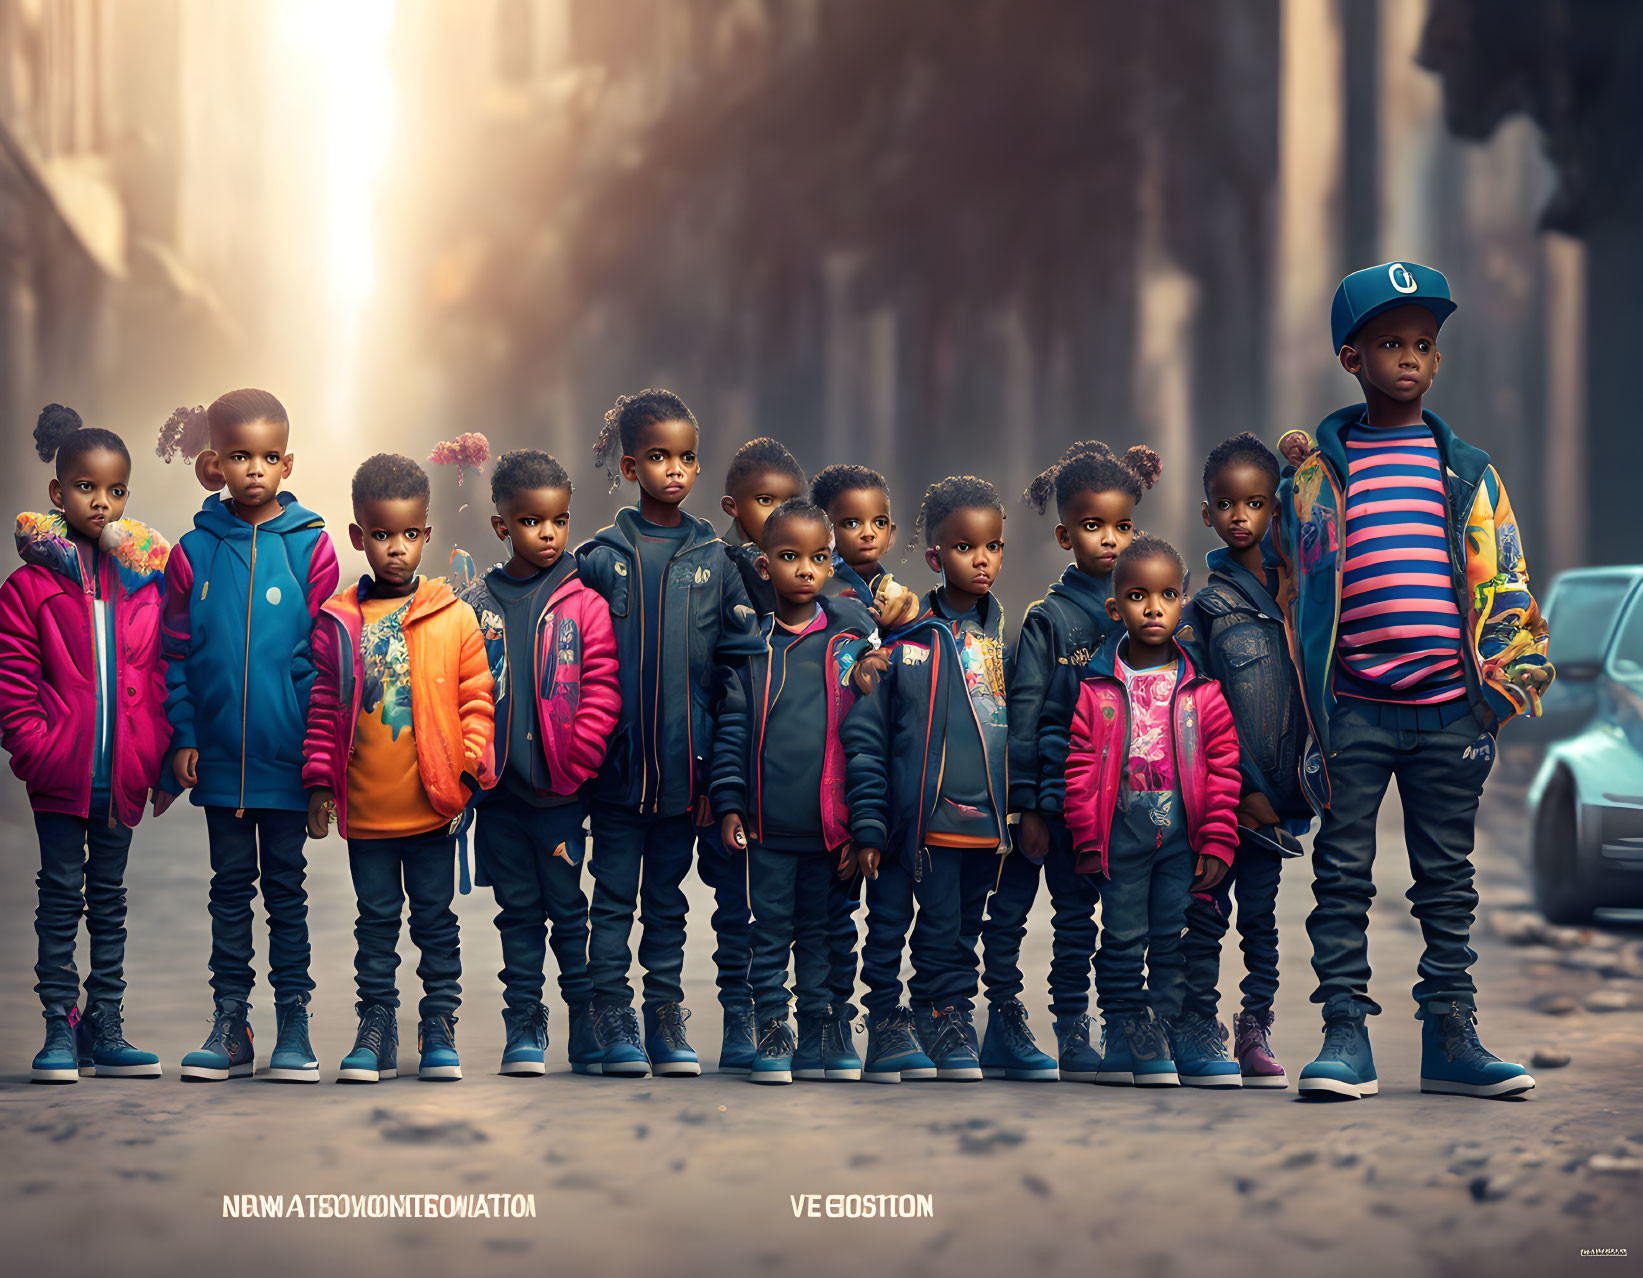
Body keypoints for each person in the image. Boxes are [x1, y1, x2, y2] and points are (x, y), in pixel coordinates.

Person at [1273, 261, 1552, 1100]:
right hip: (1352, 709)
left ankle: (1450, 1037)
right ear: (1350, 358)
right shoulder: (1315, 480)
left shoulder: (1464, 470)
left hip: (1447, 712)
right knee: (1342, 875)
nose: (1408, 358)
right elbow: (1285, 587)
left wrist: (1493, 698)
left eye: (1422, 345)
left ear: (1435, 361)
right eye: (1388, 343)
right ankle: (1344, 1036)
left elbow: (1503, 575)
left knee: (1446, 879)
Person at [575, 389, 765, 1077]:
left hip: (688, 779)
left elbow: (735, 683)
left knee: (667, 904)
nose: (676, 470)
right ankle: (611, 1014)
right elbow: (565, 669)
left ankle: (662, 1015)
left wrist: (723, 777)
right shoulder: (597, 558)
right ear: (630, 467)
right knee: (612, 900)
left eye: (687, 457)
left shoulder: (717, 563)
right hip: (615, 777)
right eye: (658, 457)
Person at [157, 389, 340, 1082]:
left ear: (287, 463)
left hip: (287, 760)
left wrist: (319, 755)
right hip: (220, 764)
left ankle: (294, 1019)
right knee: (229, 890)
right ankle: (231, 1022)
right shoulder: (193, 553)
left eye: (268, 456)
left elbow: (327, 660)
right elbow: (174, 654)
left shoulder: (312, 548)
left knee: (286, 889)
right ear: (216, 463)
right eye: (240, 456)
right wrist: (183, 734)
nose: (255, 469)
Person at [303, 454, 496, 1082]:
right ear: (358, 536)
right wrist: (318, 786)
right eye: (381, 535)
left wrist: (468, 775)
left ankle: (439, 1025)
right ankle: (376, 1025)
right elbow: (322, 710)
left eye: (409, 535)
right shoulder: (337, 621)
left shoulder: (453, 615)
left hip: (434, 806)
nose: (395, 549)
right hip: (368, 809)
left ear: (427, 535)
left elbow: (477, 700)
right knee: (376, 924)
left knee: (436, 922)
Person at [1, 407, 171, 1083]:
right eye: (84, 487)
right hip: (60, 778)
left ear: (127, 494)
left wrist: (155, 754)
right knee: (58, 896)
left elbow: (159, 675)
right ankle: (57, 1030)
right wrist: (38, 751)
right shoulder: (28, 590)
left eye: (114, 490)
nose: (100, 501)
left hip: (121, 778)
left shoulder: (144, 585)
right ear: (57, 493)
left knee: (109, 899)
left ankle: (105, 1027)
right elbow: (14, 685)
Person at [987, 440, 1160, 1083]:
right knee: (1037, 913)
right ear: (1065, 535)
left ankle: (1098, 1021)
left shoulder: (1145, 609)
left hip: (1119, 805)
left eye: (1122, 526)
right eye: (1093, 527)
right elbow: (1025, 717)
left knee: (1103, 918)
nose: (1110, 540)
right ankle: (1033, 1021)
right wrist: (1030, 803)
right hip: (1054, 802)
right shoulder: (1048, 621)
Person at [1047, 534, 1241, 1087]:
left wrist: (1219, 839)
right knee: (1124, 938)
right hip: (1120, 834)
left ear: (1183, 604)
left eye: (1166, 596)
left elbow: (1223, 766)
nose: (1152, 607)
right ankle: (1124, 1028)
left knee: (1172, 935)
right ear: (1115, 608)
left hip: (1182, 837)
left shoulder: (1201, 689)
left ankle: (1167, 1027)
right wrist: (1088, 835)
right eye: (1137, 596)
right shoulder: (1098, 687)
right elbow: (1080, 764)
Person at [842, 476, 1010, 1084]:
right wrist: (871, 819)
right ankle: (894, 1021)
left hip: (985, 822)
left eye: (992, 545)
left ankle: (947, 1017)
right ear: (937, 558)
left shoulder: (1003, 638)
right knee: (900, 924)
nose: (982, 558)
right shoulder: (905, 635)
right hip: (918, 821)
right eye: (965, 548)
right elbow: (868, 734)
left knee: (963, 929)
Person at [458, 449, 619, 1077]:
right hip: (500, 797)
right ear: (503, 527)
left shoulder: (584, 603)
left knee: (568, 912)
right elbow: (461, 692)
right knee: (517, 913)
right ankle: (524, 1024)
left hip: (560, 794)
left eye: (559, 520)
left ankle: (584, 1025)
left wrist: (577, 761)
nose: (548, 533)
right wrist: (474, 765)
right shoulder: (477, 604)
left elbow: (603, 688)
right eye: (531, 522)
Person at [710, 499, 876, 1083]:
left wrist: (863, 824)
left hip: (831, 829)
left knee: (828, 933)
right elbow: (731, 730)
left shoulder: (851, 643)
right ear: (763, 567)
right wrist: (729, 802)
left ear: (831, 565)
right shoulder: (752, 647)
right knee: (770, 932)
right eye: (789, 557)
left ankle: (821, 1030)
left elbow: (868, 739)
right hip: (767, 829)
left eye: (819, 558)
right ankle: (774, 1029)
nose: (805, 569)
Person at [1176, 432, 1312, 1088]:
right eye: (1225, 504)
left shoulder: (1305, 598)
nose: (1239, 515)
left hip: (1282, 805)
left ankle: (1253, 1024)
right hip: (1220, 799)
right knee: (1203, 909)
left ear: (1275, 509)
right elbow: (1201, 707)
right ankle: (1195, 1020)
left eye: (1254, 503)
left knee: (1261, 917)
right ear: (1206, 512)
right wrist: (1244, 791)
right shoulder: (1203, 608)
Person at [698, 437, 809, 1071]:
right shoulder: (714, 567)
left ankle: (802, 1015)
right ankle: (743, 1014)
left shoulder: (815, 569)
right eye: (763, 501)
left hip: (792, 767)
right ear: (733, 506)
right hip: (727, 752)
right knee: (735, 901)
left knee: (804, 906)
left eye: (789, 502)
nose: (775, 513)